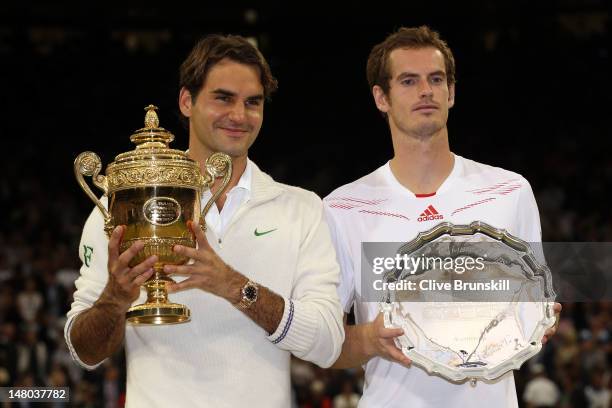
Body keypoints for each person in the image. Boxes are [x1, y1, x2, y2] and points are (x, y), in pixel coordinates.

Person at [64, 34, 344, 407]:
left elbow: (326, 344)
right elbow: (85, 352)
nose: (240, 116)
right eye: (223, 98)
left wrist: (234, 286)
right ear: (186, 102)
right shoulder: (124, 205)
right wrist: (115, 299)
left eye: (253, 103)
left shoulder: (301, 208)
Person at [323, 26, 560, 407]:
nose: (425, 91)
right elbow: (323, 345)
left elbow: (531, 306)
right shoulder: (342, 208)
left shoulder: (510, 192)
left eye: (436, 79)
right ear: (381, 97)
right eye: (408, 81)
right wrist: (368, 339)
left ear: (451, 92)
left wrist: (537, 320)